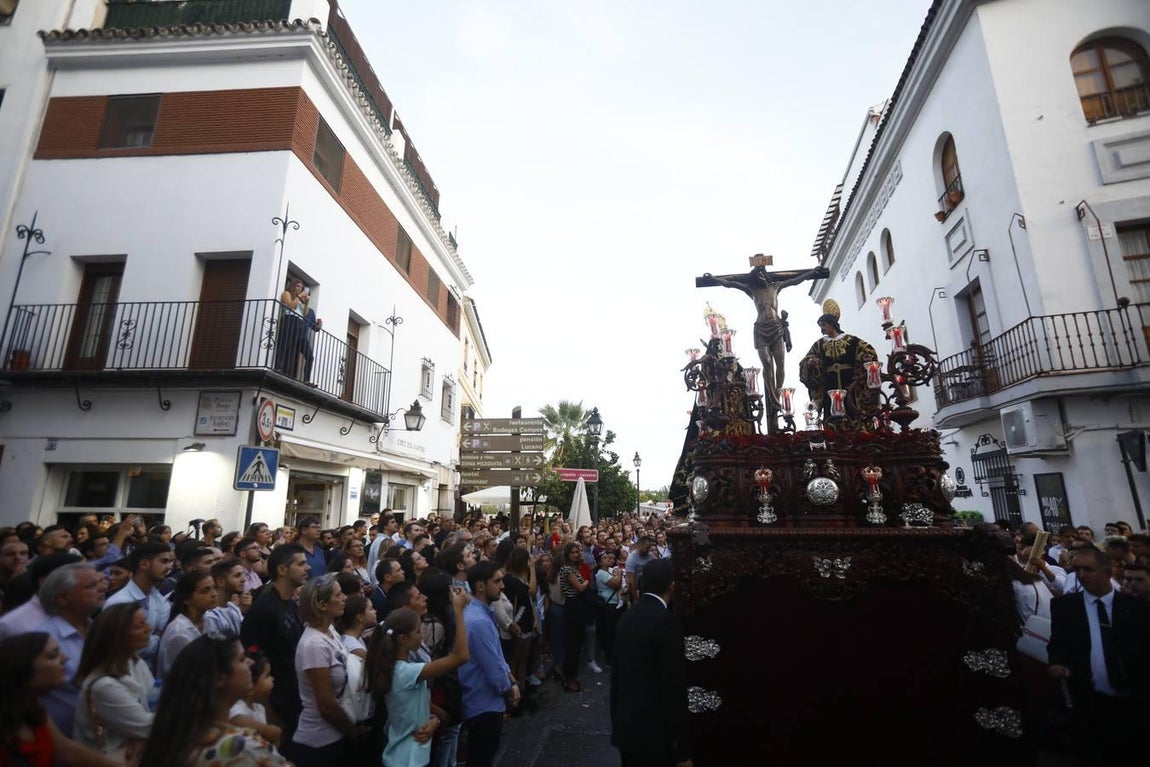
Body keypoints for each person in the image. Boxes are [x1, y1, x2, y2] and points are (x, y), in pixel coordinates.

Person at [1047, 547, 1150, 763]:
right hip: (1089, 699)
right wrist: (1057, 662)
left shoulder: (1137, 607)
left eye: (1088, 569)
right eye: (1077, 569)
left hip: (1135, 699)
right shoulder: (1065, 607)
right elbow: (1057, 644)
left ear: (1108, 572)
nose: (1082, 575)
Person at [139, 634, 289, 766]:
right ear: (219, 678)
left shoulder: (172, 736)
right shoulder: (243, 747)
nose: (250, 663)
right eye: (242, 659)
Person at [703, 261, 827, 412]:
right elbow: (731, 284)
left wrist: (812, 273)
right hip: (761, 329)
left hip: (777, 328)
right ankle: (773, 396)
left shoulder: (776, 286)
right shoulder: (752, 290)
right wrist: (715, 279)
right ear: (754, 278)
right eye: (758, 275)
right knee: (767, 363)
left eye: (762, 273)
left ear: (766, 275)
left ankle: (776, 392)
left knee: (780, 362)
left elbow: (796, 280)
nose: (761, 276)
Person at [366, 588, 470, 767]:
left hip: (406, 755)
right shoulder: (406, 672)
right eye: (418, 632)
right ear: (403, 639)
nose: (421, 636)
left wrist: (435, 720)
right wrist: (459, 611)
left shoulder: (394, 668)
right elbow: (460, 656)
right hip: (408, 759)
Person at [610, 558, 692, 767]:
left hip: (626, 729)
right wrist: (682, 749)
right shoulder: (666, 622)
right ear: (672, 586)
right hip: (653, 735)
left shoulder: (628, 617)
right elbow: (672, 686)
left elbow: (616, 677)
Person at [0, 632, 123, 767]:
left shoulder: (33, 705)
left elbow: (65, 750)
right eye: (53, 656)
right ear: (22, 669)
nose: (65, 658)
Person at [240, 543, 308, 742]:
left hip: (292, 701)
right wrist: (269, 716)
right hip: (274, 707)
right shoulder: (264, 609)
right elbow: (253, 666)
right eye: (301, 564)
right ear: (282, 569)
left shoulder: (290, 604)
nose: (308, 568)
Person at [291, 574, 359, 765]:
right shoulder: (314, 645)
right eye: (338, 595)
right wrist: (353, 732)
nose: (344, 598)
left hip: (336, 736)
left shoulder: (330, 632)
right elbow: (326, 704)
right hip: (319, 743)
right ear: (322, 605)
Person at [72, 603, 155, 759]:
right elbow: (148, 727)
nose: (148, 629)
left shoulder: (135, 662)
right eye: (140, 626)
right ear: (118, 635)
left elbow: (153, 703)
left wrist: (141, 737)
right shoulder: (104, 686)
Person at [458, 561, 520, 767]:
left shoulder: (481, 615)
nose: (502, 586)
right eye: (497, 581)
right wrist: (508, 689)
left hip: (485, 701)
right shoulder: (478, 621)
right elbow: (492, 667)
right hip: (482, 704)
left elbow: (497, 656)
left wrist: (511, 679)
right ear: (480, 586)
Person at [39, 562, 108, 738]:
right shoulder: (45, 639)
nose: (102, 588)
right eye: (91, 586)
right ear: (63, 598)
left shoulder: (97, 629)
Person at [798, 305, 880, 430]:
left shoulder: (852, 341)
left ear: (832, 324)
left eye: (824, 325)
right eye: (821, 326)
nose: (822, 329)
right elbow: (805, 361)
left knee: (853, 412)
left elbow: (868, 351)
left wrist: (865, 358)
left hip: (851, 385)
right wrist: (810, 364)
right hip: (829, 386)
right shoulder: (819, 344)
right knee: (831, 418)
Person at [104, 541, 175, 671]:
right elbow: (126, 647)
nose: (168, 567)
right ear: (144, 564)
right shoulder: (119, 602)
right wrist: (158, 637)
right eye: (163, 561)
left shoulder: (159, 599)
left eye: (169, 562)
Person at [157, 571, 216, 679]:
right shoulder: (179, 633)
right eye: (205, 591)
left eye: (213, 588)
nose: (214, 594)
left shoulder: (206, 620)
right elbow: (190, 676)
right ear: (186, 599)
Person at [229, 652, 282, 749]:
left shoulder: (259, 708)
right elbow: (237, 719)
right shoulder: (238, 706)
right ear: (251, 685)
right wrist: (268, 731)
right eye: (267, 676)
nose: (272, 678)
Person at [276, 277, 322, 381]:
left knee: (292, 348)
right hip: (289, 320)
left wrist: (306, 303)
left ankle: (288, 371)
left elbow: (305, 313)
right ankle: (278, 367)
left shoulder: (299, 300)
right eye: (298, 286)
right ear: (293, 286)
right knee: (285, 345)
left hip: (298, 322)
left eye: (301, 287)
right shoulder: (287, 294)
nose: (299, 289)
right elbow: (291, 306)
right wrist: (299, 297)